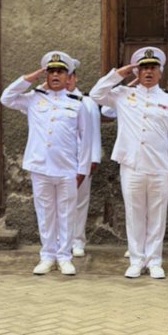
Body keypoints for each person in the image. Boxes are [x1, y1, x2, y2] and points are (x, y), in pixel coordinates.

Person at [90, 47, 168, 279]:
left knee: (157, 214)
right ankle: (136, 259)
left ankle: (154, 260)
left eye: (152, 68)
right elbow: (96, 94)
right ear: (137, 72)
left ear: (160, 72)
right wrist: (119, 74)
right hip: (131, 165)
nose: (148, 72)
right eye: (143, 68)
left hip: (160, 166)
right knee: (134, 213)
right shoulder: (122, 94)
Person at [1, 51, 94, 276]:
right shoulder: (34, 98)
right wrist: (31, 77)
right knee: (45, 213)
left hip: (66, 168)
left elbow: (86, 140)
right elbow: (6, 98)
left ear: (68, 76)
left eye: (60, 72)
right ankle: (47, 256)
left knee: (66, 213)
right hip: (40, 167)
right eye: (51, 71)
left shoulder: (78, 103)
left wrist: (82, 170)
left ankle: (64, 257)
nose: (55, 75)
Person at [65, 59, 101, 258]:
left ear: (75, 78)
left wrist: (93, 159)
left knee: (79, 202)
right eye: (64, 76)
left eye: (71, 76)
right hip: (60, 160)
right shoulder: (51, 99)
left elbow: (93, 132)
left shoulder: (86, 102)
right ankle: (62, 240)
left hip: (81, 159)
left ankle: (77, 240)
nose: (68, 81)